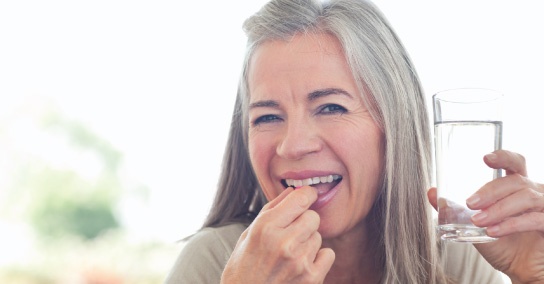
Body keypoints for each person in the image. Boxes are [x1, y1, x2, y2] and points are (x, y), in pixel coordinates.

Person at [166, 0, 544, 283]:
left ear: (394, 126)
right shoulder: (214, 263)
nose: (293, 146)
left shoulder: (456, 260)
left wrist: (534, 275)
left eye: (330, 107)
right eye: (266, 117)